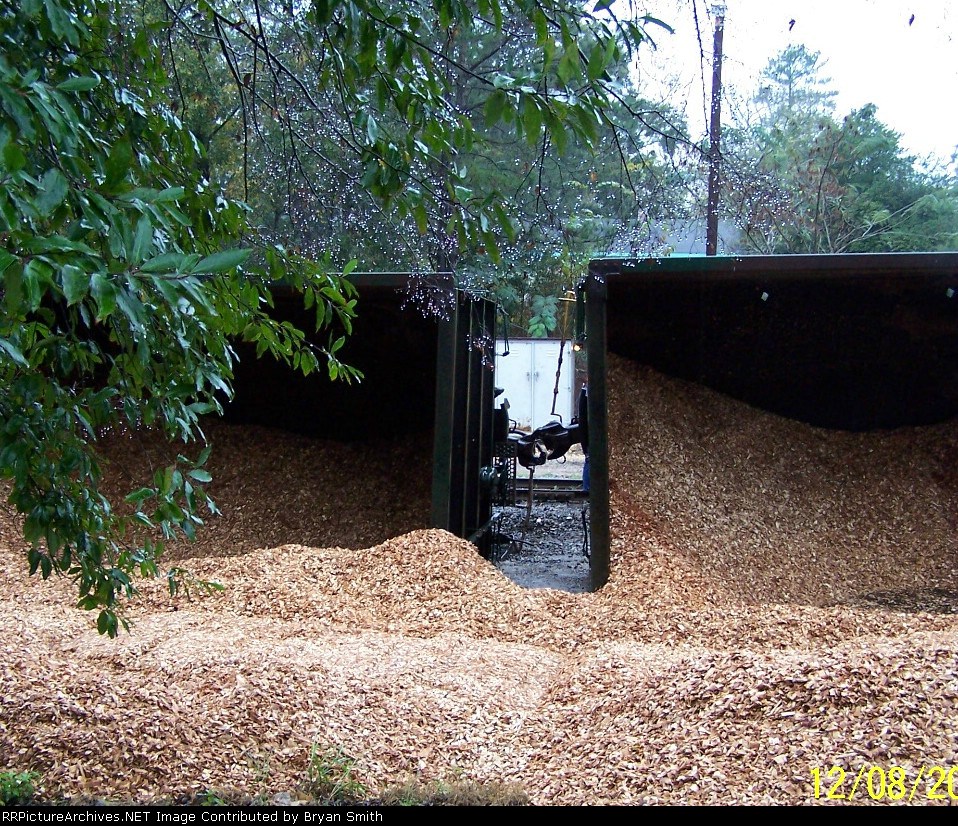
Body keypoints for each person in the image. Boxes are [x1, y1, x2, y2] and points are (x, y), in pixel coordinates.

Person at [577, 379, 589, 493]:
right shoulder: (587, 392)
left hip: (586, 436)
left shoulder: (585, 391)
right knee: (589, 460)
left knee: (588, 460)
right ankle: (587, 490)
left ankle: (587, 489)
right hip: (588, 437)